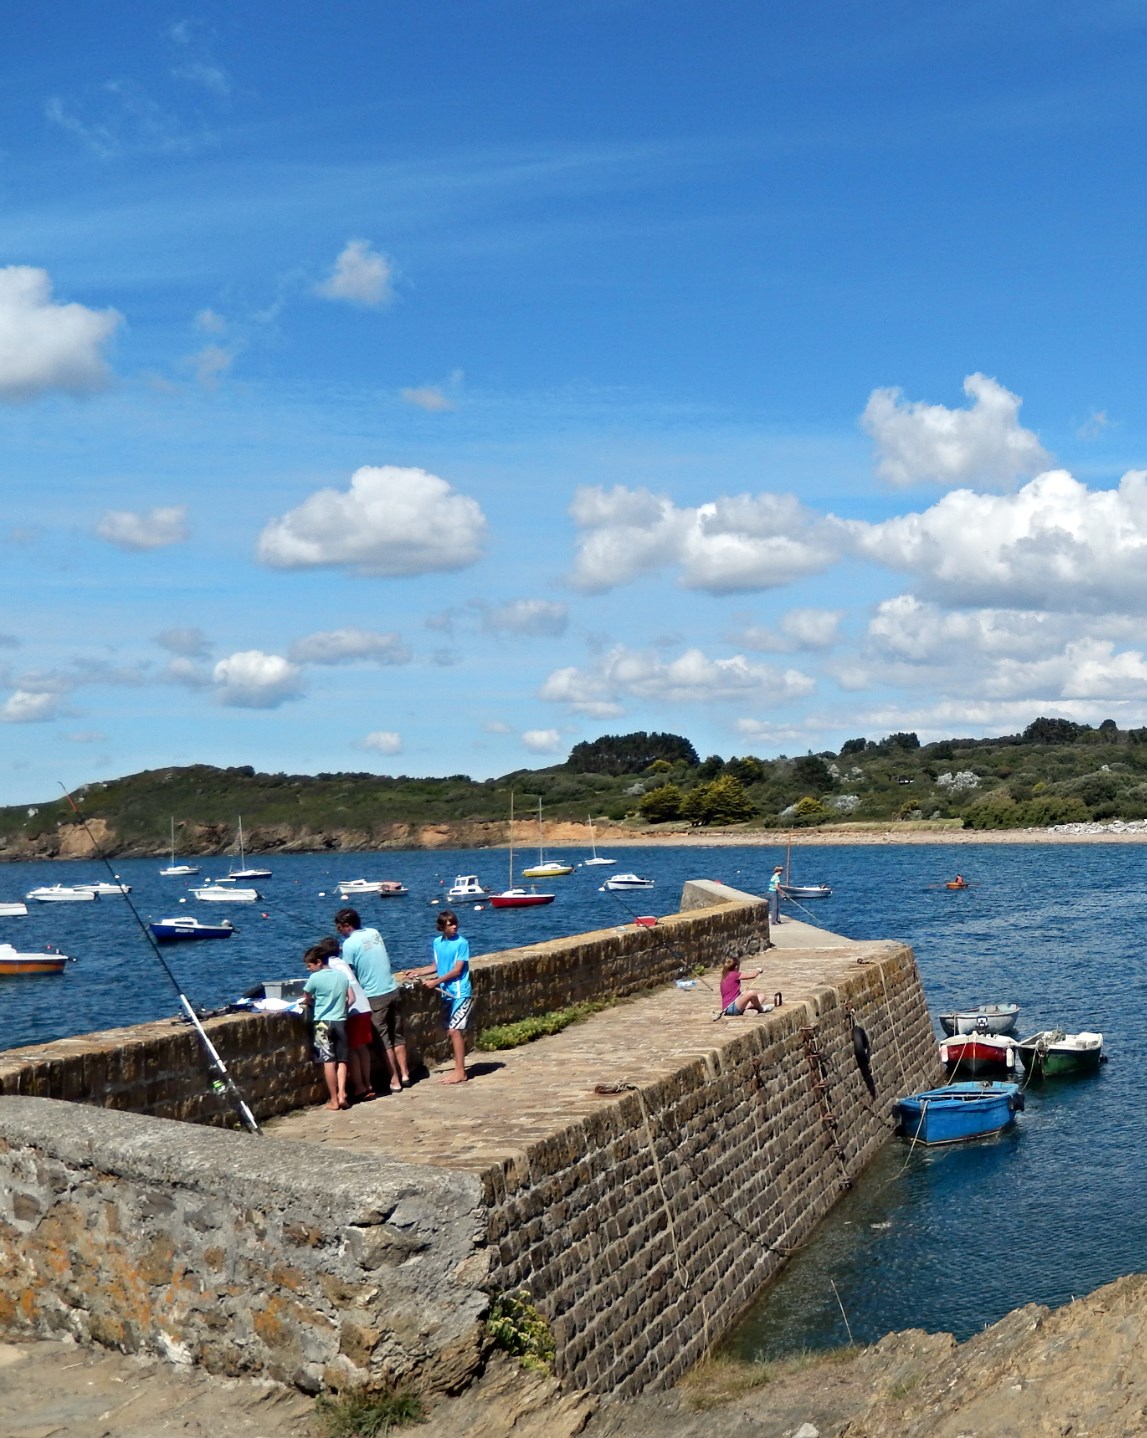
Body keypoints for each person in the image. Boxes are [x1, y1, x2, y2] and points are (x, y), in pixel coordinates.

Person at [334, 906, 411, 1093]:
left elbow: (349, 974)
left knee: (383, 1040)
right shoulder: (374, 932)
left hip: (375, 995)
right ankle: (406, 1074)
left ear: (347, 926)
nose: (339, 932)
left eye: (339, 928)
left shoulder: (350, 945)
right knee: (398, 1036)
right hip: (392, 988)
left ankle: (394, 1080)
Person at [411, 908, 472, 1084]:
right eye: (450, 924)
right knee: (450, 1030)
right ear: (441, 927)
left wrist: (436, 982)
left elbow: (457, 970)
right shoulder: (437, 942)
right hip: (446, 993)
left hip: (460, 992)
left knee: (454, 1030)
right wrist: (417, 972)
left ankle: (460, 1072)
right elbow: (436, 966)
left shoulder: (462, 943)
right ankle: (458, 1069)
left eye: (455, 923)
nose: (454, 926)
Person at [319, 934, 375, 1100]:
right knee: (363, 1048)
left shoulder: (330, 967)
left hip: (353, 1010)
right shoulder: (342, 963)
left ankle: (359, 1086)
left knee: (351, 1049)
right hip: (364, 1007)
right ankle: (368, 1083)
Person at [301, 942, 351, 1110]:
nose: (308, 969)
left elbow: (306, 998)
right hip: (340, 1021)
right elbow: (350, 998)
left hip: (322, 1023)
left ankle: (334, 1100)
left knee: (328, 1061)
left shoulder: (315, 978)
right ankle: (343, 1093)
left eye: (309, 965)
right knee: (342, 1060)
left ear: (319, 962)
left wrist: (310, 1001)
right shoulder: (341, 976)